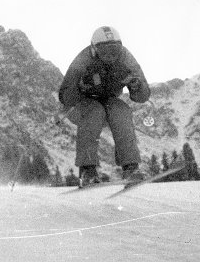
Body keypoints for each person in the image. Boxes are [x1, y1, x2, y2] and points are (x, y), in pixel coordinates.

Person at [58, 26, 151, 187]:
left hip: (107, 100)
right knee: (94, 111)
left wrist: (136, 86)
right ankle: (88, 170)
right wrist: (80, 87)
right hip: (81, 104)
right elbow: (65, 96)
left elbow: (143, 96)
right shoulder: (83, 60)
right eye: (104, 51)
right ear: (94, 49)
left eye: (114, 50)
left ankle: (131, 167)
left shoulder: (126, 58)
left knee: (121, 111)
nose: (110, 56)